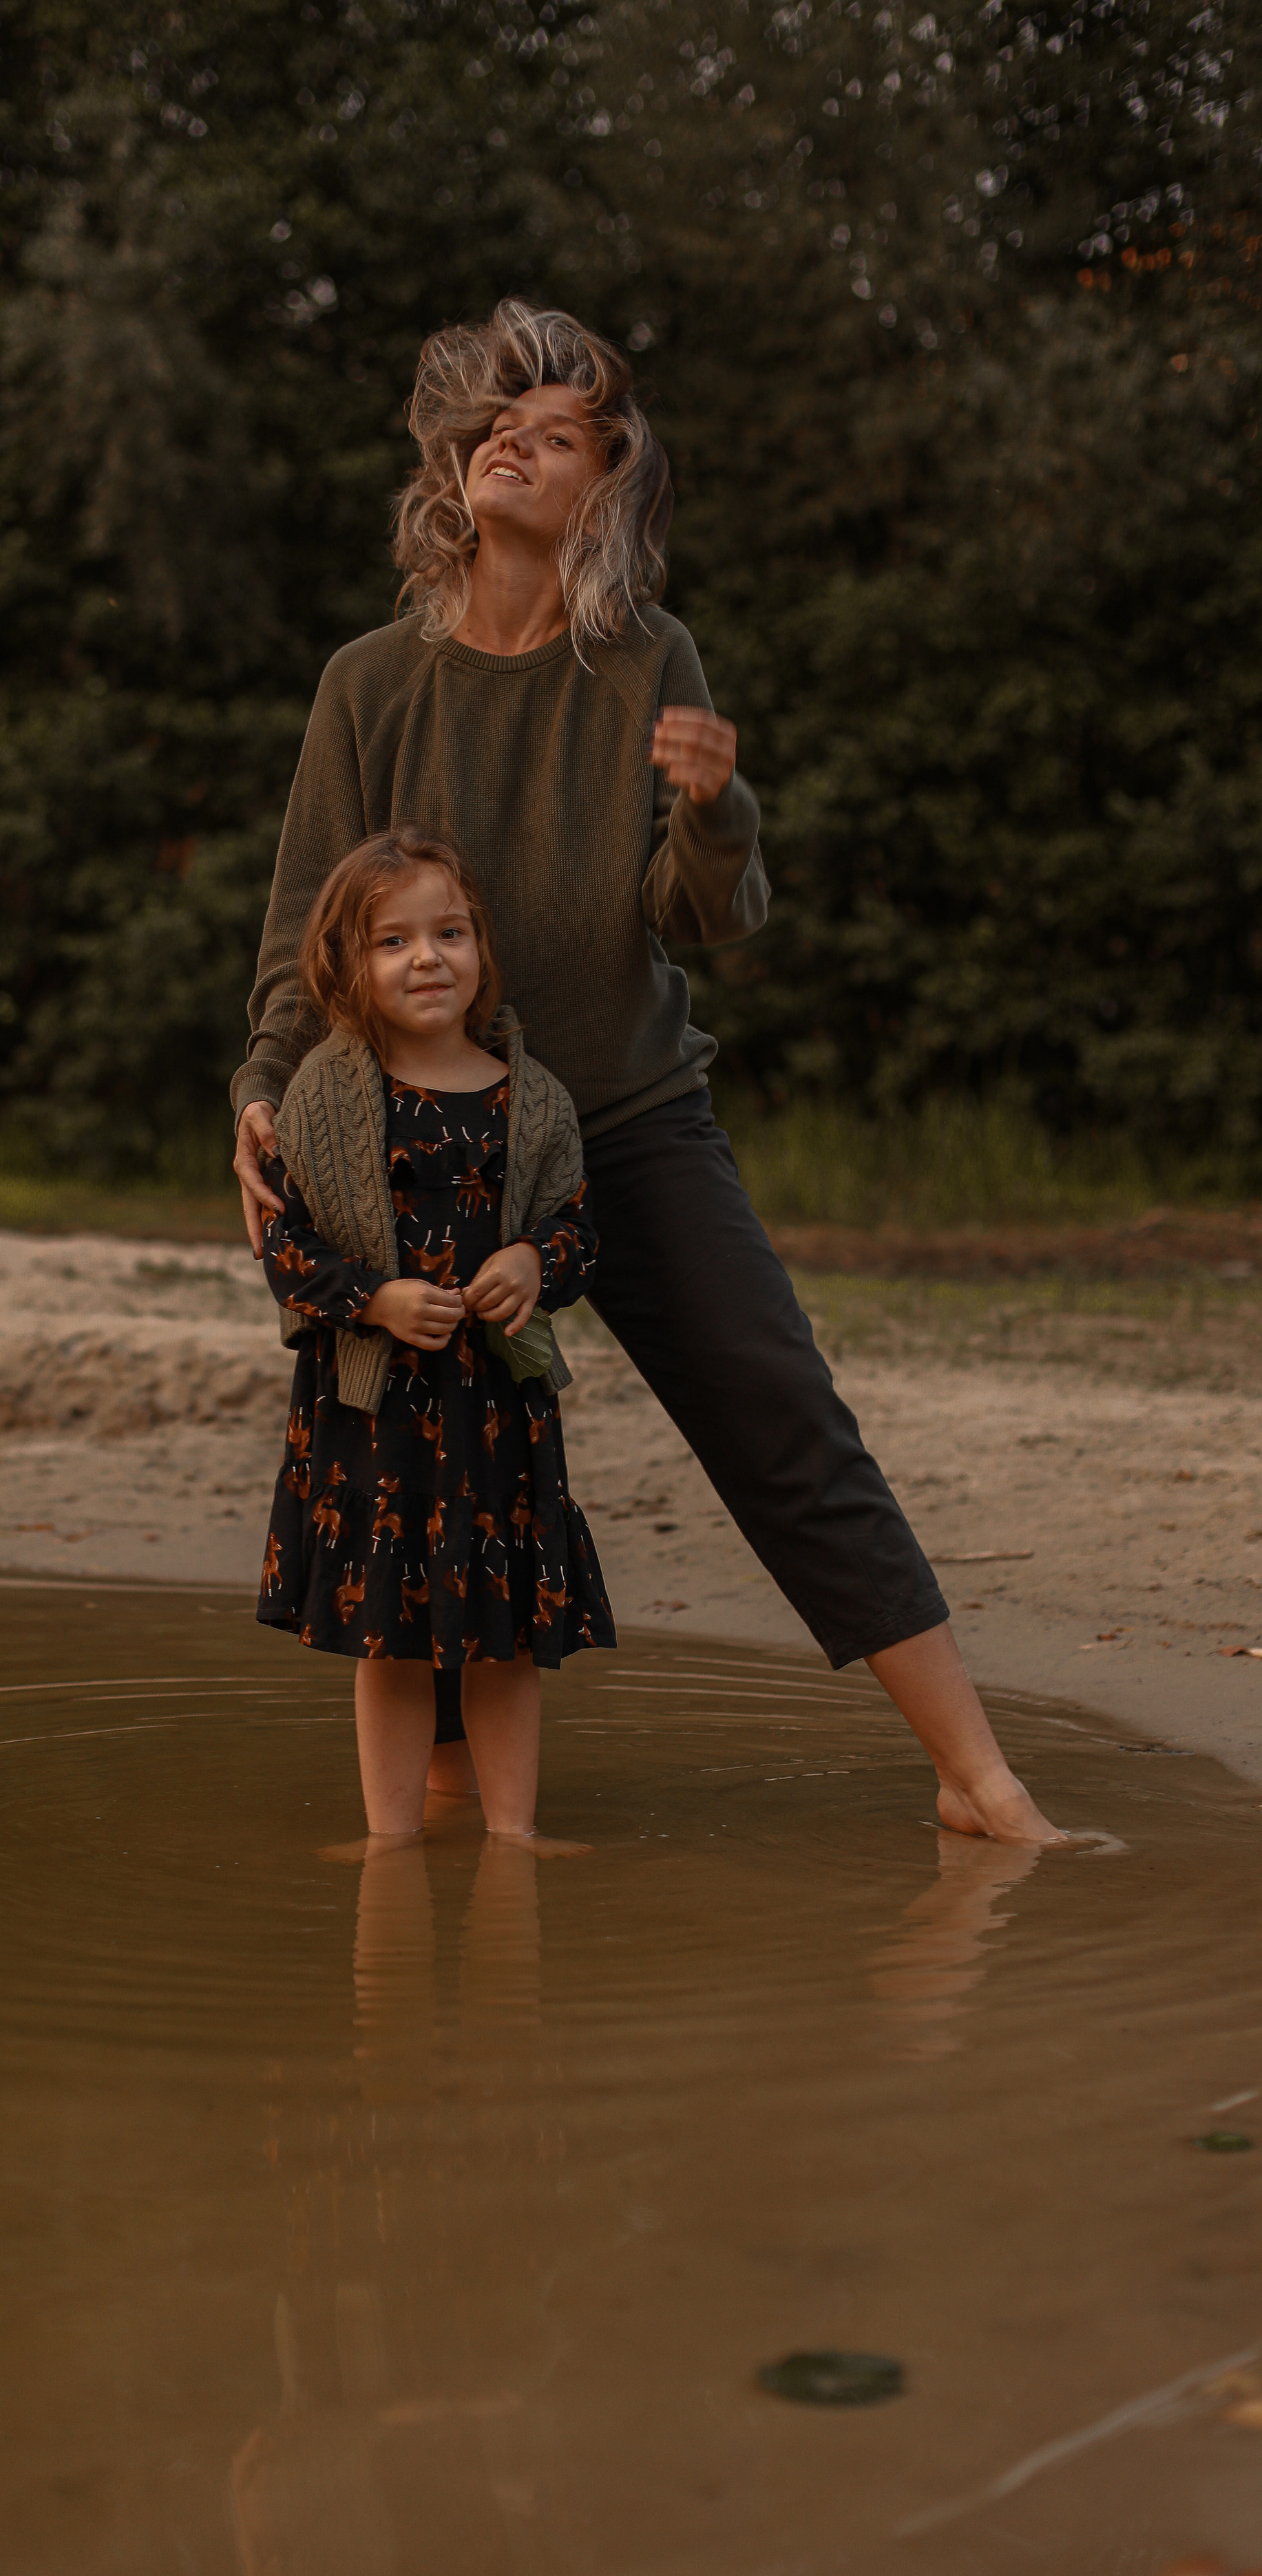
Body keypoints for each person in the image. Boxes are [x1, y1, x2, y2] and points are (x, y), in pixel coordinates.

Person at [233, 298, 1063, 1849]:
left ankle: (977, 1778)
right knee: (436, 1462)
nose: (512, 444)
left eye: (555, 435)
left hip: (622, 1119)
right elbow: (306, 936)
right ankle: (448, 1823)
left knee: (781, 1414)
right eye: (497, 426)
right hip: (412, 1142)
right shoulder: (368, 682)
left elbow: (706, 917)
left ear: (605, 488)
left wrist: (716, 810)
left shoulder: (644, 661)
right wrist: (261, 1096)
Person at [255, 827, 613, 1844]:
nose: (427, 958)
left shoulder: (530, 1098)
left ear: (481, 949)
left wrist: (536, 1261)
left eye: (449, 933)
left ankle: (514, 1837)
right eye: (393, 941)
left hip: (500, 1411)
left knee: (506, 1637)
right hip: (377, 1413)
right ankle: (391, 1844)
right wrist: (374, 1300)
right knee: (393, 1639)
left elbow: (581, 1227)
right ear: (346, 965)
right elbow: (285, 1244)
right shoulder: (325, 1095)